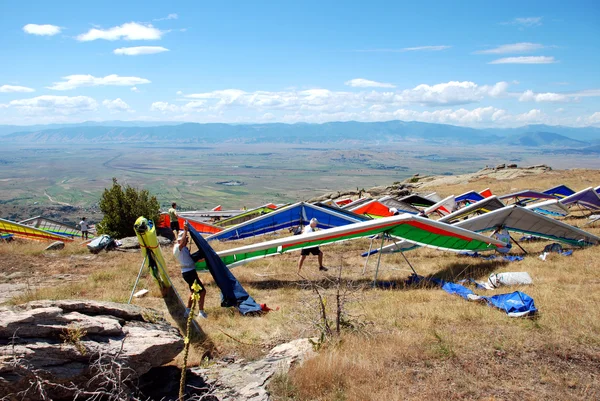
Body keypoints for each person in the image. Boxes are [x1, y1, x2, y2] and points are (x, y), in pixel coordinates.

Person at [173, 223, 207, 318]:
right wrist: (185, 230)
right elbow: (182, 241)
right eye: (186, 239)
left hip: (190, 271)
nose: (187, 240)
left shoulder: (184, 249)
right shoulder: (177, 248)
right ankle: (201, 312)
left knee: (193, 292)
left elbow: (190, 259)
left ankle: (187, 311)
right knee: (202, 291)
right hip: (189, 272)